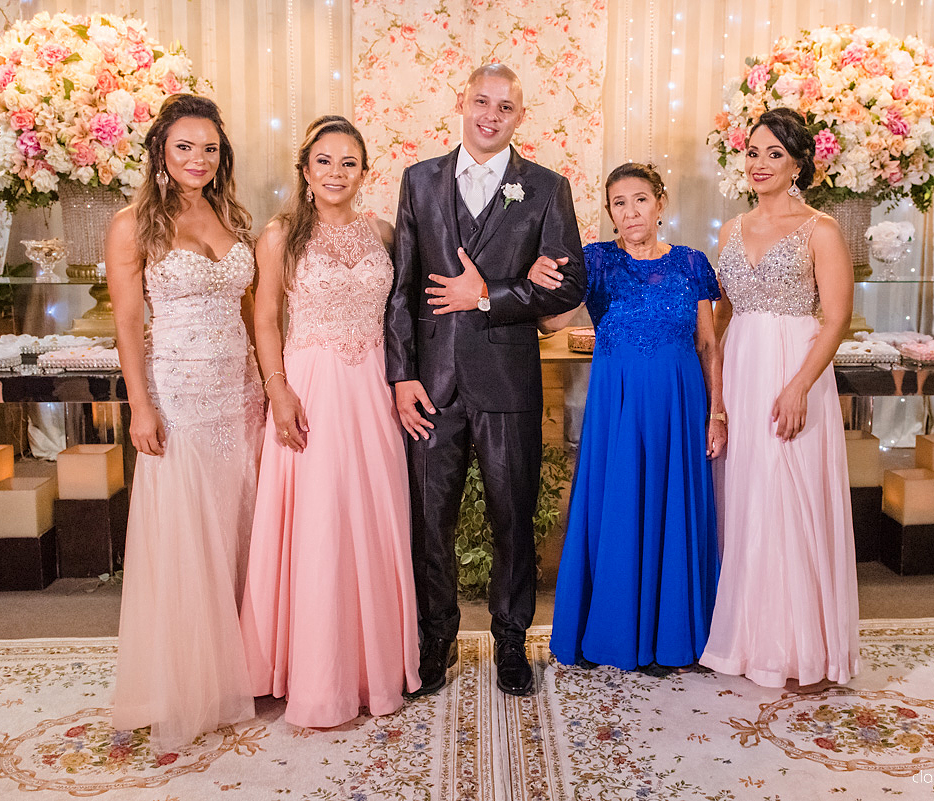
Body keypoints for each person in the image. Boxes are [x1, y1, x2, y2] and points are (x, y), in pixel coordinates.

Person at [386, 63, 586, 697]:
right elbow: (401, 290)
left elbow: (571, 283)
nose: (491, 115)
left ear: (520, 118)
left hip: (508, 383)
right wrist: (400, 376)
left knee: (513, 518)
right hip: (432, 389)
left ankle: (509, 644)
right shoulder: (418, 182)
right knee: (428, 520)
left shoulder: (548, 190)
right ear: (460, 103)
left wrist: (487, 296)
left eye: (505, 107)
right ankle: (435, 639)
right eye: (481, 101)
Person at [240, 115, 420, 727]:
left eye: (348, 162)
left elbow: (408, 314)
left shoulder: (386, 232)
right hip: (309, 384)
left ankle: (372, 667)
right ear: (306, 169)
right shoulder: (281, 234)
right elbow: (265, 319)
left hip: (372, 387)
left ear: (364, 171)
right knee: (316, 521)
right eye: (324, 161)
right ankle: (313, 670)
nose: (336, 173)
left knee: (372, 513)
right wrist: (278, 389)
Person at [107, 94, 262, 750]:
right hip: (180, 398)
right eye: (185, 147)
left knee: (238, 531)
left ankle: (243, 667)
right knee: (186, 541)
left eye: (210, 148)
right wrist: (140, 404)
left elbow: (255, 311)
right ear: (160, 152)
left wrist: (274, 384)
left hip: (241, 395)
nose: (199, 159)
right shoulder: (131, 223)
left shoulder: (229, 212)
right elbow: (125, 323)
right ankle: (181, 684)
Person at [698, 107, 861, 688]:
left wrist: (799, 385)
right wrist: (714, 391)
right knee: (745, 499)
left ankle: (802, 648)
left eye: (774, 154)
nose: (760, 164)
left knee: (791, 499)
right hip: (742, 365)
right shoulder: (732, 229)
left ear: (797, 165)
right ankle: (749, 638)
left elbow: (837, 318)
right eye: (753, 152)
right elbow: (721, 311)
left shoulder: (822, 229)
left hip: (797, 368)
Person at [542, 163, 726, 673]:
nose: (631, 212)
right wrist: (537, 283)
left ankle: (675, 634)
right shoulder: (595, 261)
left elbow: (708, 343)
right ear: (609, 213)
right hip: (616, 406)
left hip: (677, 402)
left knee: (674, 506)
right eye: (619, 203)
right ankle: (615, 630)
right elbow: (551, 319)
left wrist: (718, 411)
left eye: (640, 199)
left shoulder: (692, 263)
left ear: (660, 203)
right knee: (618, 503)